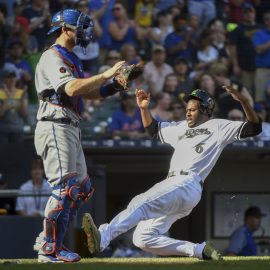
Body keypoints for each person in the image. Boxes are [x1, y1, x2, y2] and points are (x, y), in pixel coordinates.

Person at [82, 85, 262, 259]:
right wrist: (144, 109)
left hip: (187, 182)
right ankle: (198, 250)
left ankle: (103, 237)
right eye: (187, 108)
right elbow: (154, 130)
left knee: (141, 202)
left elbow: (254, 128)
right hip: (178, 187)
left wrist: (245, 102)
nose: (188, 112)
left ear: (206, 110)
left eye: (193, 109)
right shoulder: (180, 127)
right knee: (142, 238)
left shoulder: (218, 126)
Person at [33, 8, 125, 263]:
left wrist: (114, 86)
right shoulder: (52, 56)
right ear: (65, 29)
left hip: (70, 125)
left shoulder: (71, 57)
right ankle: (48, 248)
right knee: (63, 188)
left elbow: (88, 93)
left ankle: (56, 245)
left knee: (80, 189)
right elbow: (72, 88)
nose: (85, 32)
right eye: (80, 27)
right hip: (55, 122)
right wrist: (106, 73)